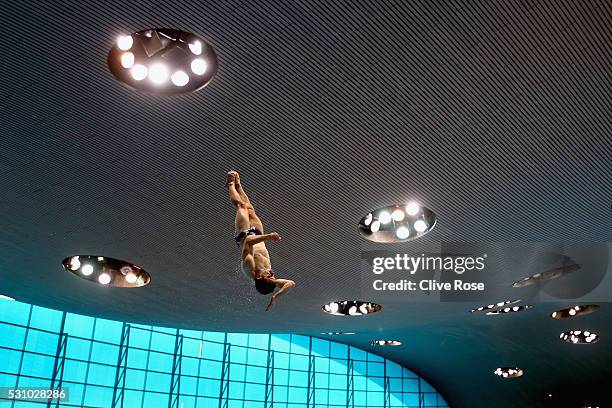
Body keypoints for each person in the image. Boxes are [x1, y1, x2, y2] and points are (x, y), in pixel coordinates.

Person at [226, 171, 295, 310]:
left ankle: (230, 185)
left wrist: (269, 237)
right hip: (259, 234)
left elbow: (249, 242)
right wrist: (276, 296)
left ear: (259, 278)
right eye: (273, 278)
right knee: (250, 208)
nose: (272, 274)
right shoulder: (268, 279)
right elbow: (290, 283)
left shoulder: (249, 267)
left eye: (269, 277)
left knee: (241, 206)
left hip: (244, 234)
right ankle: (239, 186)